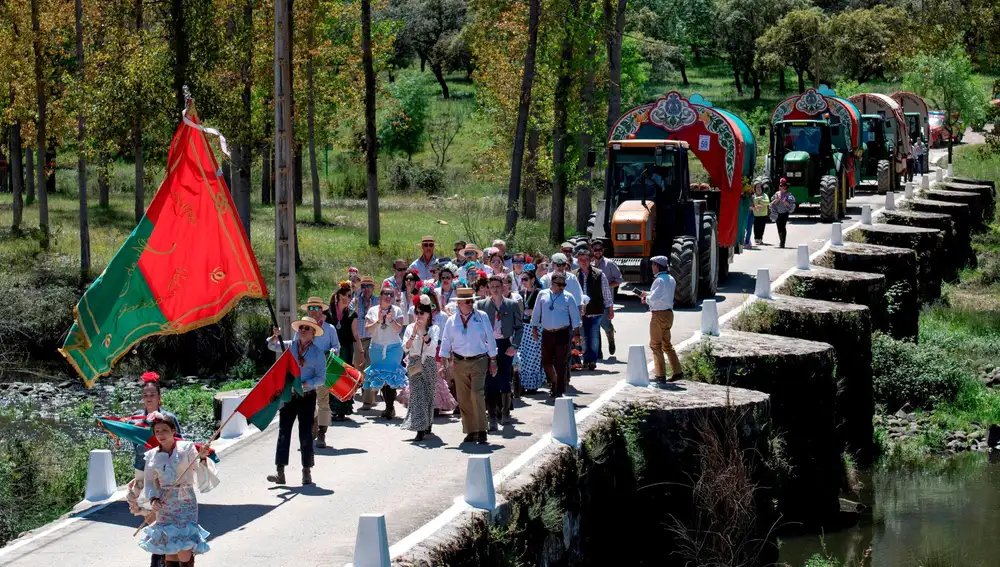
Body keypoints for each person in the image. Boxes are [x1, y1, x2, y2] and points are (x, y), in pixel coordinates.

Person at [137, 413, 217, 567]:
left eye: (165, 430)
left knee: (184, 548)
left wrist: (202, 457)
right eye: (157, 431)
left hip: (186, 501)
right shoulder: (151, 456)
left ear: (173, 430)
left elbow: (197, 468)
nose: (161, 434)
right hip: (165, 504)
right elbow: (149, 482)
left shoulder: (187, 448)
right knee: (170, 550)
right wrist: (153, 499)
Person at [124, 372, 181, 567]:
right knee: (150, 519)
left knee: (163, 518)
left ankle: (162, 560)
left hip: (164, 474)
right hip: (143, 473)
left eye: (152, 395)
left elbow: (180, 443)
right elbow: (134, 447)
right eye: (145, 395)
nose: (149, 398)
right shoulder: (135, 421)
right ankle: (159, 560)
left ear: (159, 397)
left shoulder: (168, 419)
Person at [266, 316, 327, 485]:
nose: (302, 330)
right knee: (284, 432)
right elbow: (271, 345)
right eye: (301, 327)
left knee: (305, 433)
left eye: (306, 328)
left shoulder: (317, 353)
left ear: (313, 333)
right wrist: (274, 335)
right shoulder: (289, 346)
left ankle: (306, 471)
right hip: (289, 395)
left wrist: (307, 384)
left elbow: (321, 378)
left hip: (306, 396)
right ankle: (280, 472)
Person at [439, 287, 498, 445]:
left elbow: (490, 338)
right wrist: (444, 363)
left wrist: (493, 359)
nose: (471, 304)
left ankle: (482, 429)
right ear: (459, 303)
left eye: (472, 301)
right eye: (467, 301)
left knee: (476, 394)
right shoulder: (452, 321)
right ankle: (471, 430)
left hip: (479, 359)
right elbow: (446, 342)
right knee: (463, 398)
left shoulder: (482, 316)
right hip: (459, 361)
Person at [476, 275, 523, 431]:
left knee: (504, 378)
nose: (495, 289)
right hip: (488, 345)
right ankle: (492, 417)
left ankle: (505, 412)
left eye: (498, 286)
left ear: (503, 286)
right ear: (488, 287)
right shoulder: (482, 305)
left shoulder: (512, 304)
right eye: (492, 286)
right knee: (490, 381)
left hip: (505, 344)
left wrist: (514, 345)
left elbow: (519, 328)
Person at [530, 272, 581, 397]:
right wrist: (534, 329)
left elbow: (575, 317)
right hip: (547, 332)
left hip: (562, 332)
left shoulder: (568, 297)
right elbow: (536, 312)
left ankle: (559, 389)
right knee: (547, 362)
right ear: (552, 283)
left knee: (561, 362)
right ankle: (553, 382)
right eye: (559, 284)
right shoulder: (543, 294)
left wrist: (577, 334)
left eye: (564, 284)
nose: (562, 287)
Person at [300, 297, 340, 449]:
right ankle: (314, 425)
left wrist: (333, 351)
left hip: (323, 370)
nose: (314, 311)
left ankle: (322, 433)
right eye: (311, 308)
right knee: (309, 401)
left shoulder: (330, 329)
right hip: (306, 371)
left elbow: (336, 346)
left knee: (323, 401)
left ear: (322, 310)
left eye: (317, 308)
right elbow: (297, 345)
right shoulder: (303, 328)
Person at [363, 283, 407, 419]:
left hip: (393, 348)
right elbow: (368, 330)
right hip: (376, 348)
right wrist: (378, 321)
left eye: (391, 294)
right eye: (386, 294)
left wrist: (391, 320)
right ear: (380, 297)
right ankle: (389, 406)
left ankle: (389, 407)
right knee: (381, 377)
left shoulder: (397, 311)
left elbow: (399, 329)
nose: (388, 297)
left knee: (391, 377)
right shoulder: (372, 310)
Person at [400, 296, 440, 441]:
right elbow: (405, 347)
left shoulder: (434, 328)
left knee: (428, 394)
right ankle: (419, 428)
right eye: (417, 312)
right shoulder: (410, 328)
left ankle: (427, 423)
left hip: (429, 363)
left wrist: (423, 332)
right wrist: (414, 335)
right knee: (417, 395)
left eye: (422, 313)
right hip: (414, 361)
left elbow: (432, 346)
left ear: (429, 313)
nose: (419, 316)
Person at [641, 256, 684, 383]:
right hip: (668, 314)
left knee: (655, 345)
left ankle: (660, 375)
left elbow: (654, 298)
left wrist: (645, 299)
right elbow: (661, 295)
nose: (652, 267)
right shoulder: (670, 279)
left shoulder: (659, 280)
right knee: (667, 345)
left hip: (658, 315)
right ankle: (677, 371)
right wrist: (647, 294)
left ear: (658, 266)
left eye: (653, 265)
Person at [574, 248, 613, 370]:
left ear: (590, 260)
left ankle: (592, 360)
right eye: (581, 260)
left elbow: (606, 293)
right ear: (578, 261)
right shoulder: (573, 275)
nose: (584, 262)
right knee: (584, 337)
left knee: (594, 337)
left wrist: (610, 309)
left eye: (586, 260)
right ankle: (586, 359)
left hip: (596, 311)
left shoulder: (599, 274)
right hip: (580, 313)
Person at [329, 282, 362, 421]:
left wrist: (361, 351)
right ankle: (332, 409)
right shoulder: (328, 312)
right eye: (345, 295)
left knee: (343, 377)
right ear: (338, 295)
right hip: (331, 349)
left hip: (346, 349)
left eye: (349, 296)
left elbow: (355, 334)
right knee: (331, 378)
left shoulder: (351, 314)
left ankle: (342, 410)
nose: (347, 298)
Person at [516, 266, 545, 394]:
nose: (524, 282)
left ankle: (532, 384)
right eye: (522, 279)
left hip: (536, 327)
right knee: (522, 356)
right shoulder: (520, 294)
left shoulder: (540, 293)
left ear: (533, 279)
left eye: (526, 279)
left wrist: (534, 312)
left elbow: (545, 311)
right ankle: (522, 383)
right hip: (523, 327)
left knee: (534, 356)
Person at [590, 241, 621, 357]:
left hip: (605, 301)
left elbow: (619, 280)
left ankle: (610, 336)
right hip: (592, 301)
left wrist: (606, 286)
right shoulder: (589, 264)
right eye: (595, 249)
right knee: (594, 326)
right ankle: (598, 353)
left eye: (600, 249)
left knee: (605, 324)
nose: (597, 251)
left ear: (603, 250)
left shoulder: (610, 264)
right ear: (592, 250)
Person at [354, 276, 378, 410]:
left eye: (369, 286)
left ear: (373, 288)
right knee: (359, 369)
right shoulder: (356, 300)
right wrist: (357, 304)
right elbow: (351, 314)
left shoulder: (377, 301)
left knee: (369, 369)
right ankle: (367, 393)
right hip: (358, 340)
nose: (366, 289)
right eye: (364, 286)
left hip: (372, 339)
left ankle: (368, 401)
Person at [770, 178, 796, 249]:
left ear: (785, 186)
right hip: (777, 213)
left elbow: (791, 205)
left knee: (783, 227)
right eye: (780, 185)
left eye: (782, 185)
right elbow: (772, 203)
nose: (781, 186)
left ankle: (782, 242)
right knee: (779, 228)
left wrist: (785, 202)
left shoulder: (789, 195)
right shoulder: (777, 194)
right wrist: (777, 200)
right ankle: (781, 240)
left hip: (784, 213)